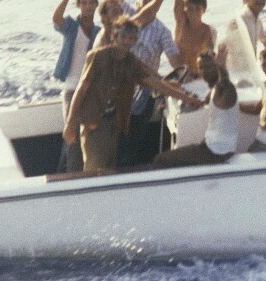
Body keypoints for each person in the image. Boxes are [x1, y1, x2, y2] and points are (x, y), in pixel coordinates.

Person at [62, 17, 204, 173]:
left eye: (131, 38)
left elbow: (156, 84)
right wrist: (70, 123)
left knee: (109, 167)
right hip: (94, 122)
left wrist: (188, 99)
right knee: (94, 169)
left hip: (115, 121)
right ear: (114, 37)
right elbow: (81, 89)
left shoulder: (131, 61)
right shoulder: (97, 56)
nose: (126, 41)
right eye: (123, 37)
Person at [109, 0, 184, 166]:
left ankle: (129, 163)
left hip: (146, 86)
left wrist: (182, 76)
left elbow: (175, 59)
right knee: (116, 130)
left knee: (136, 132)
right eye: (144, 4)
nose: (147, 8)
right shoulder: (129, 16)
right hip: (121, 82)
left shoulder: (162, 31)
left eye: (152, 4)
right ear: (138, 4)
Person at [52, 0, 99, 172]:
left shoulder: (99, 32)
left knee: (88, 136)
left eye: (91, 3)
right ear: (78, 5)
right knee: (71, 135)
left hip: (90, 91)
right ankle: (71, 176)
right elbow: (56, 20)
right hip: (72, 89)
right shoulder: (71, 26)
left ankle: (69, 172)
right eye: (84, 3)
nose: (88, 7)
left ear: (97, 4)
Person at [152, 65, 239, 167]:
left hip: (216, 151)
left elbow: (225, 89)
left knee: (160, 160)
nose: (199, 72)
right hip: (212, 146)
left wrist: (219, 65)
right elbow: (203, 101)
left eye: (202, 68)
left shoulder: (227, 92)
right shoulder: (216, 90)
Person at [173, 0, 217, 74]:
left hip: (196, 77)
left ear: (204, 10)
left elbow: (209, 50)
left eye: (198, 8)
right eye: (190, 8)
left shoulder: (206, 30)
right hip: (177, 73)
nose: (193, 11)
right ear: (185, 9)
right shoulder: (181, 21)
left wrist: (210, 53)